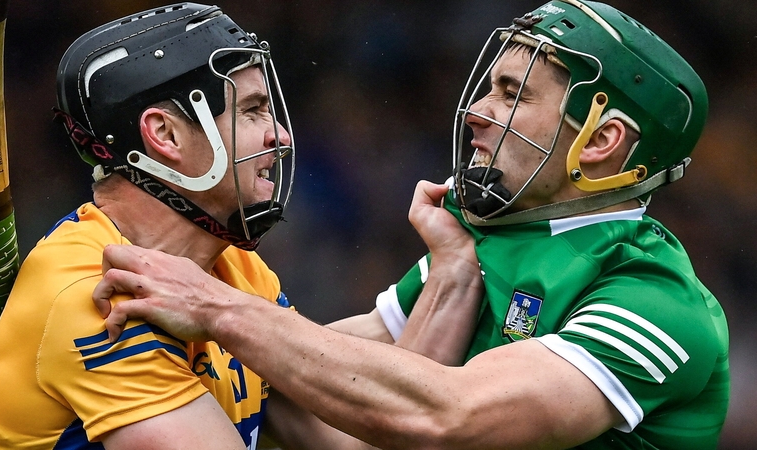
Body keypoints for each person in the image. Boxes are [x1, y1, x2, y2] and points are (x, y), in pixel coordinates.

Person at [81, 1, 730, 449]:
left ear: (603, 142)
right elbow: (322, 377)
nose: (476, 111)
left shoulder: (655, 303)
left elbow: (450, 415)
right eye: (490, 88)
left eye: (513, 94)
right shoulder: (484, 242)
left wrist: (216, 308)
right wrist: (84, 332)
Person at [0, 3, 484, 449]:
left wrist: (455, 268)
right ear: (164, 134)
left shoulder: (231, 271)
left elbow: (360, 437)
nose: (280, 135)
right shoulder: (96, 298)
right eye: (253, 111)